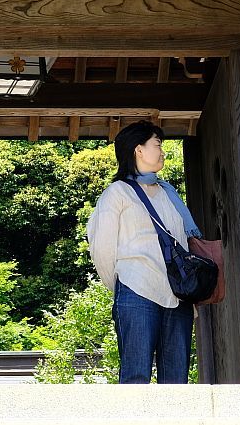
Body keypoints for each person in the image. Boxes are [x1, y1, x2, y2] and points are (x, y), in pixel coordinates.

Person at [85, 121, 202, 384]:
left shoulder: (168, 193)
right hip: (137, 290)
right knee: (136, 377)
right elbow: (102, 249)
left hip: (177, 295)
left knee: (176, 381)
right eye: (157, 144)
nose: (162, 151)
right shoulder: (117, 193)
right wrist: (122, 287)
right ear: (139, 150)